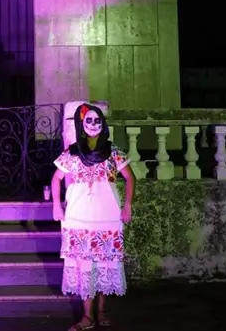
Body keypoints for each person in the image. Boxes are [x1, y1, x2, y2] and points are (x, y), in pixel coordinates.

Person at [50, 103, 135, 330]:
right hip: (78, 217)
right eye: (89, 121)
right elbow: (56, 178)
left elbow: (130, 177)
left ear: (103, 124)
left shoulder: (112, 150)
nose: (94, 125)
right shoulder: (72, 152)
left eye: (98, 121)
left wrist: (127, 205)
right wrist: (57, 206)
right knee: (84, 265)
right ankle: (87, 317)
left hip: (107, 216)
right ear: (81, 125)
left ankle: (100, 312)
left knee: (106, 263)